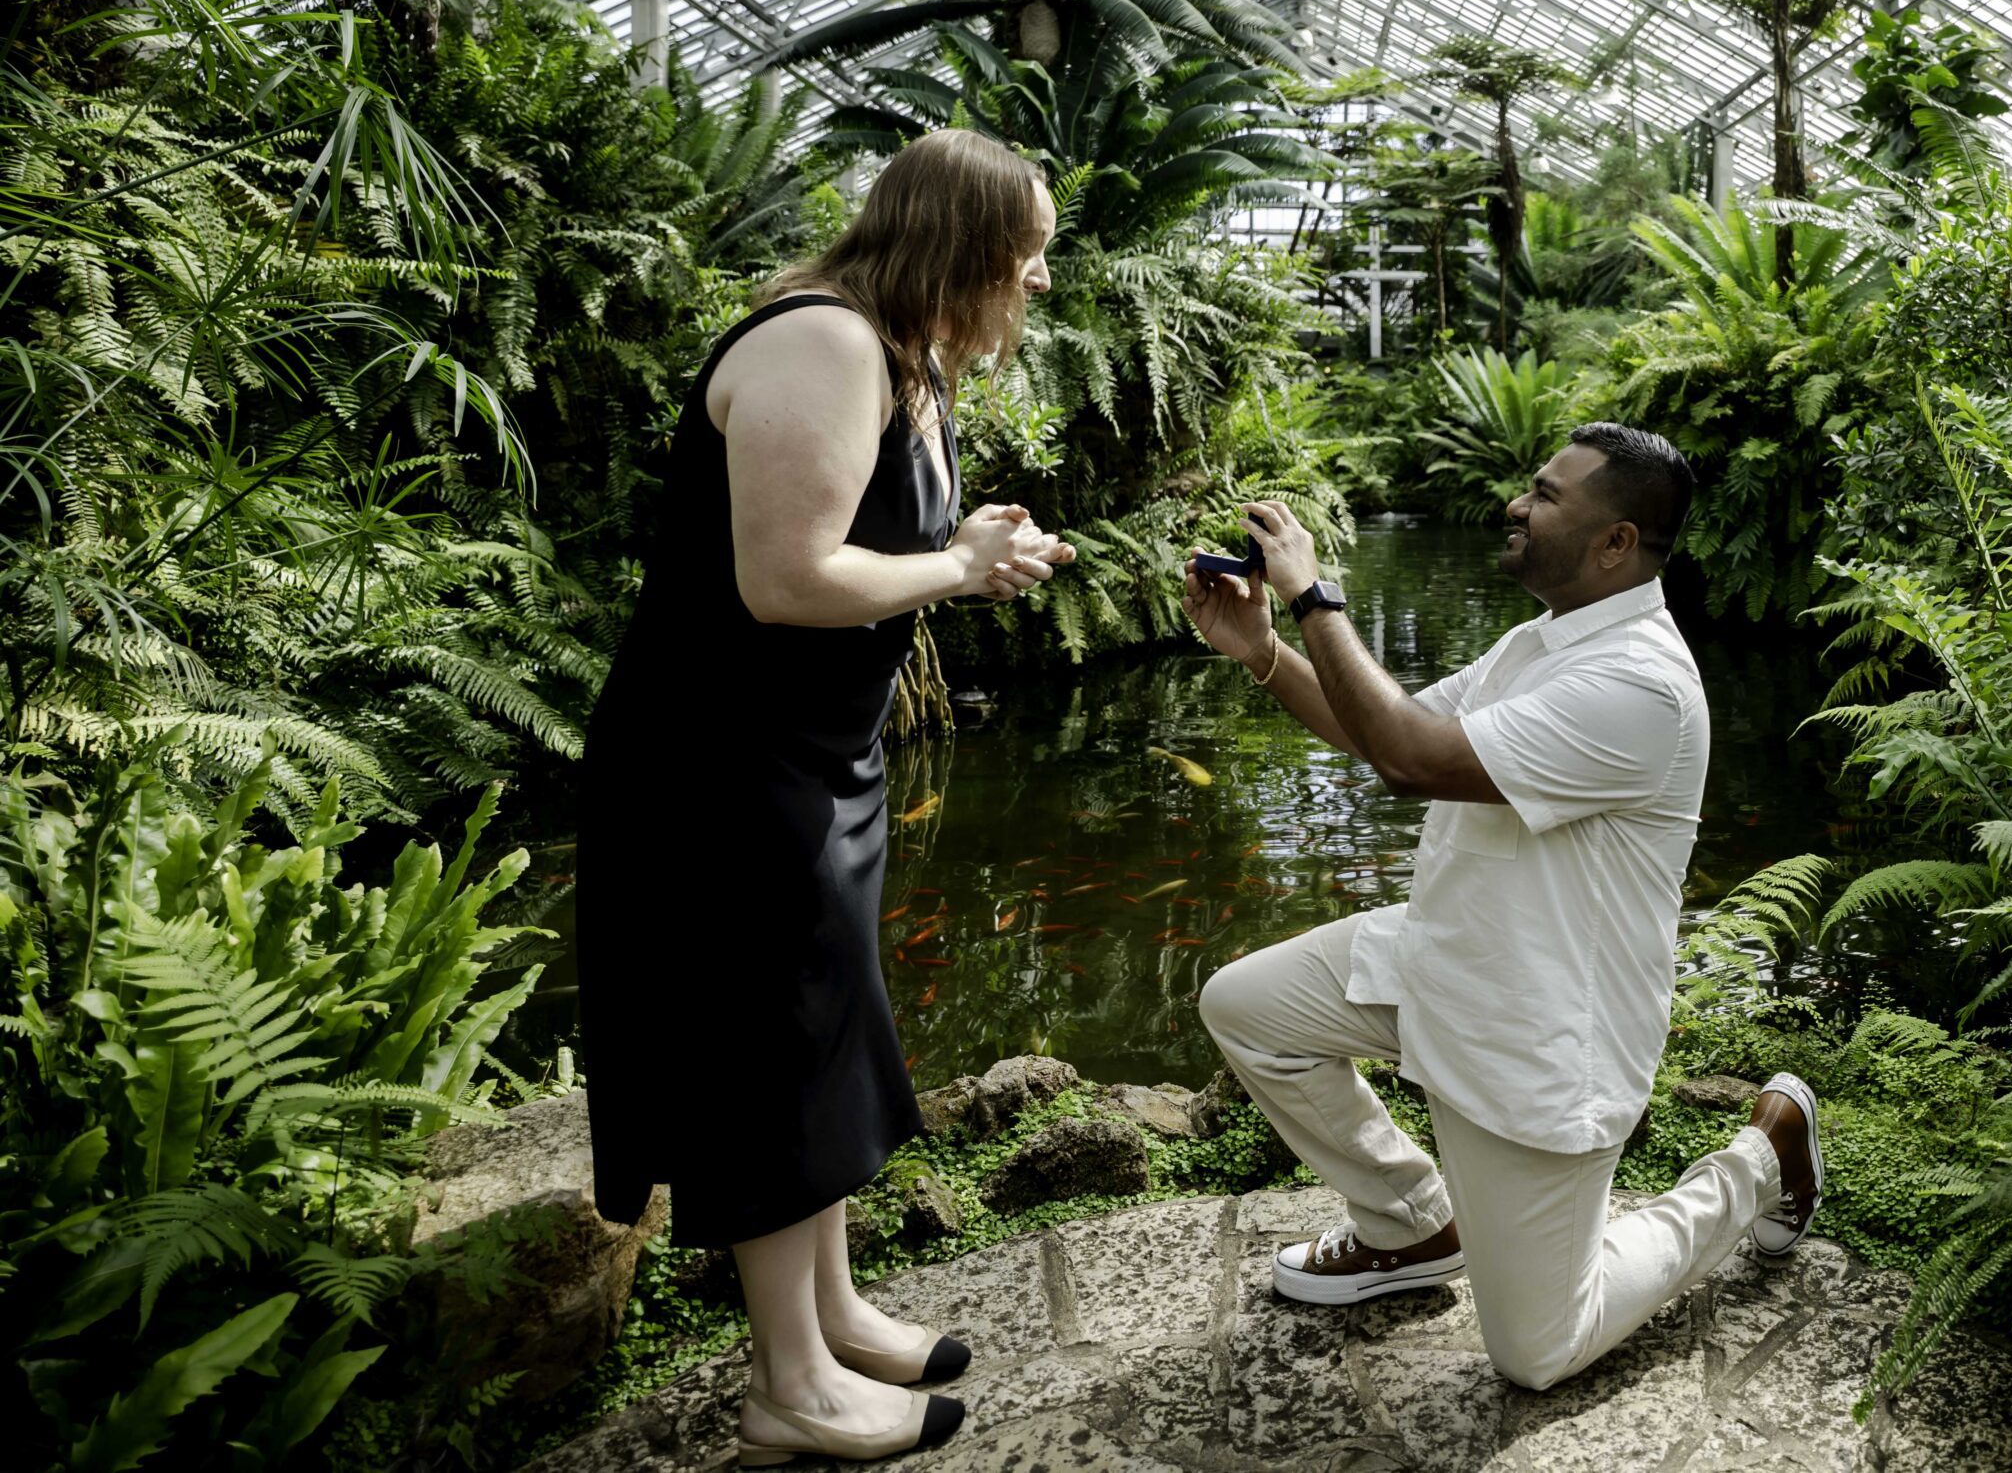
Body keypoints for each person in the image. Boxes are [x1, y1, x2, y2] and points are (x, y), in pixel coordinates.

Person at [575, 130, 1076, 1464]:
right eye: (1025, 255)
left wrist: (973, 545)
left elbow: (878, 542)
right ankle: (789, 1383)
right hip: (721, 765)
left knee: (818, 1035)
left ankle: (833, 1314)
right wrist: (960, 569)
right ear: (960, 244)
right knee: (772, 1052)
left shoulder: (900, 354)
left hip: (809, 755)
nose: (1037, 281)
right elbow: (788, 579)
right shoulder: (824, 343)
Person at [1184, 423, 1824, 1393]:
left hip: (1541, 1031)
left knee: (1538, 1350)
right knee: (1247, 1008)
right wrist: (1264, 650)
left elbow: (1409, 760)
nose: (1517, 505)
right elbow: (1382, 730)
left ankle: (1761, 1159)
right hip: (1443, 957)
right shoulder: (1545, 640)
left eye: (1547, 495)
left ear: (1615, 542)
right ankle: (1411, 1223)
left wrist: (1314, 597)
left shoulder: (1640, 686)